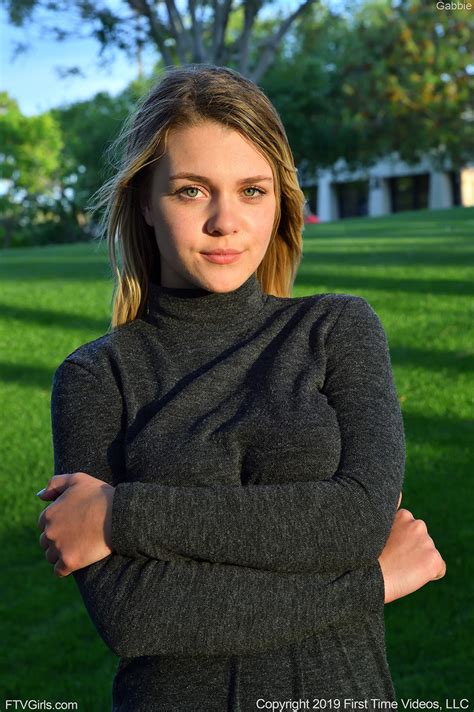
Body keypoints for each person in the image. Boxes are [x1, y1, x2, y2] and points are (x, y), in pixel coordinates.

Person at [36, 64, 446, 712]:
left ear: (279, 199)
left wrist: (122, 514)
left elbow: (357, 519)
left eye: (252, 190)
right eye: (193, 191)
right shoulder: (95, 378)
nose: (226, 221)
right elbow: (138, 620)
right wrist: (372, 582)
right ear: (145, 199)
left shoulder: (338, 329)